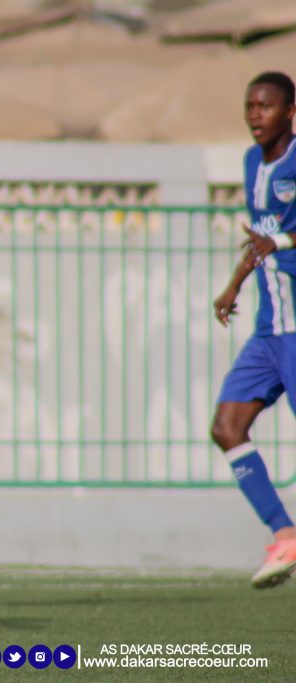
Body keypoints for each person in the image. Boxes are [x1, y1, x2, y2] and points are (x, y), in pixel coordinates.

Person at [211, 70, 296, 589]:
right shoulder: (250, 163)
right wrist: (234, 284)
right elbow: (261, 236)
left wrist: (282, 245)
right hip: (269, 331)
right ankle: (286, 535)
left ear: (290, 111)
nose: (254, 116)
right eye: (249, 107)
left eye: (264, 106)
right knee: (227, 428)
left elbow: (278, 239)